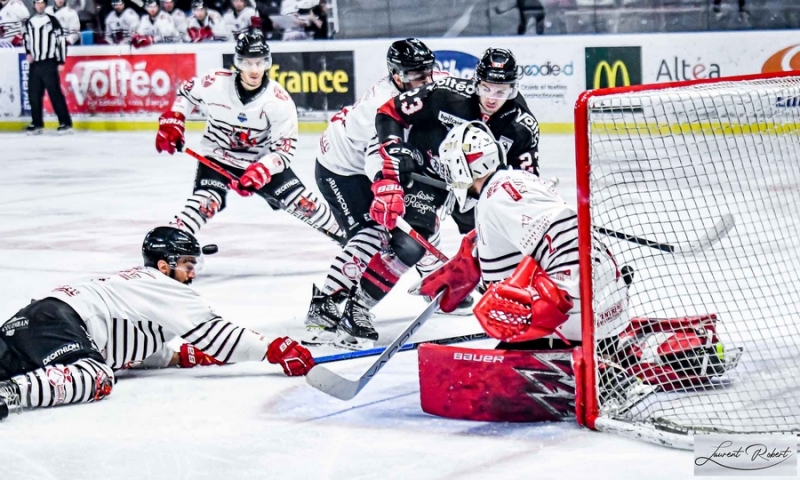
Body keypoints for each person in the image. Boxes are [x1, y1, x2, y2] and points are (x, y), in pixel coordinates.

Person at [416, 122, 741, 401]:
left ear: (462, 165)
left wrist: (559, 298)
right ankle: (658, 350)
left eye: (449, 166)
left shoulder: (498, 196)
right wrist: (472, 259)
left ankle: (599, 371)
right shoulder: (515, 183)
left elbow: (565, 237)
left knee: (496, 360)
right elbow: (542, 235)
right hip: (601, 301)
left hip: (574, 308)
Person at [330, 48, 540, 348]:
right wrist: (394, 154)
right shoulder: (445, 93)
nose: (493, 97)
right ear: (475, 82)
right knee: (410, 245)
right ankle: (357, 308)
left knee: (495, 248)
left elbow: (527, 180)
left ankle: (510, 309)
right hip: (429, 174)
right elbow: (390, 111)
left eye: (502, 89)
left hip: (476, 185)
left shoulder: (522, 125)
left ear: (514, 88)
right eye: (486, 88)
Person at [0, 226, 314, 421]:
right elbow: (215, 333)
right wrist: (271, 348)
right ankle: (10, 392)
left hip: (37, 320)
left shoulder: (140, 284)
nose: (193, 272)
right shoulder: (164, 286)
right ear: (165, 266)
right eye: (187, 264)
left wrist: (176, 357)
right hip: (61, 321)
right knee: (97, 377)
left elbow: (126, 336)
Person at [305, 38, 467, 348]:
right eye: (415, 76)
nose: (424, 81)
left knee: (421, 216)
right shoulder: (377, 106)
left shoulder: (436, 84)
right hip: (342, 169)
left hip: (380, 158)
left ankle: (433, 280)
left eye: (428, 72)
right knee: (373, 231)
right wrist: (386, 186)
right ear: (396, 75)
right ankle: (325, 304)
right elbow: (377, 156)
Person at [155, 31, 343, 245]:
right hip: (217, 156)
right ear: (237, 63)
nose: (254, 70)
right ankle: (171, 244)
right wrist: (175, 118)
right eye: (247, 63)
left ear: (267, 63)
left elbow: (283, 151)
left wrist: (261, 170)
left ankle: (351, 239)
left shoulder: (279, 101)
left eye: (260, 62)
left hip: (259, 162)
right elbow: (187, 93)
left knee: (304, 204)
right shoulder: (215, 83)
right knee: (205, 202)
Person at [23, 0, 73, 135]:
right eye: (37, 3)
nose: (39, 6)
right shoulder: (30, 22)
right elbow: (26, 39)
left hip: (49, 62)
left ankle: (65, 123)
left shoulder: (52, 21)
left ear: (45, 5)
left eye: (42, 3)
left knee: (54, 93)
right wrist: (28, 53)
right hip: (35, 64)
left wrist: (61, 61)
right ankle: (37, 123)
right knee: (33, 94)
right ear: (34, 5)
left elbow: (61, 41)